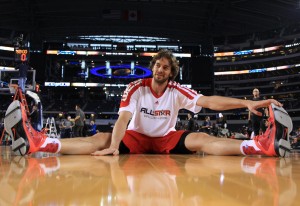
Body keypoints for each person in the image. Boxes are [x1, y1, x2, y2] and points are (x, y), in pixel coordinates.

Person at [4, 49, 292, 157]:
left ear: (171, 73)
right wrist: (116, 145)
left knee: (203, 138)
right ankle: (39, 143)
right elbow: (122, 120)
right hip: (138, 138)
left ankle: (259, 146)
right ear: (152, 68)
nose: (160, 70)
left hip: (166, 139)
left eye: (166, 67)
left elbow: (209, 101)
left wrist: (245, 103)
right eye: (157, 65)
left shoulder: (178, 89)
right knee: (102, 138)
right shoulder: (136, 88)